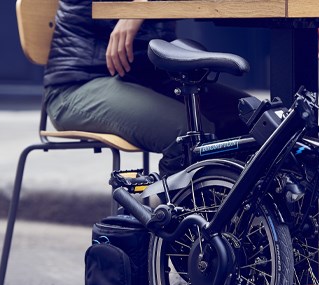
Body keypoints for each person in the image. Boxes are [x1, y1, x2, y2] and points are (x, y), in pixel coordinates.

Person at [44, 0, 249, 176]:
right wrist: (139, 7)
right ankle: (178, 219)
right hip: (80, 85)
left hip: (150, 76)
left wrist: (141, 6)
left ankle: (244, 217)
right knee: (188, 133)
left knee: (251, 117)